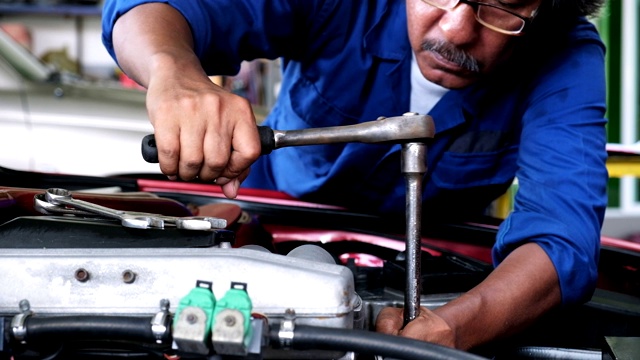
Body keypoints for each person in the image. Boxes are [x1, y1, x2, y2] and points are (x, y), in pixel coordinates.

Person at [101, 0, 608, 352]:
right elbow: (146, 8)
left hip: (433, 266)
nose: (455, 28)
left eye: (501, 4)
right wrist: (173, 71)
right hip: (273, 221)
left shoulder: (564, 54)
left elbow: (561, 240)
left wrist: (455, 329)